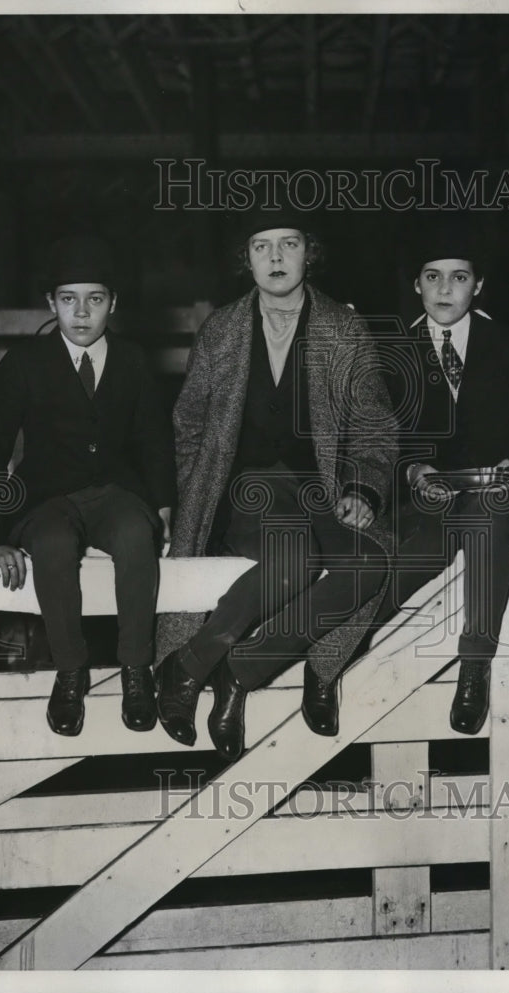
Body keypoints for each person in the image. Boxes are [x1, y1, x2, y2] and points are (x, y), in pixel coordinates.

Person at [155, 213, 398, 762]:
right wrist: (186, 505)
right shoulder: (221, 329)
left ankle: (222, 667)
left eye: (289, 244)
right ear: (246, 259)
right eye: (261, 246)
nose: (276, 257)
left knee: (368, 563)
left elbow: (374, 426)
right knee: (293, 561)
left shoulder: (343, 328)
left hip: (323, 489)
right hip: (248, 490)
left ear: (309, 253)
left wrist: (363, 487)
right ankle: (204, 663)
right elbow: (188, 425)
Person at [0, 235, 176, 736]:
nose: (81, 313)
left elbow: (154, 438)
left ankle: (135, 670)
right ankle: (69, 671)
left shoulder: (131, 360)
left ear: (113, 303)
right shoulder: (23, 363)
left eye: (95, 299)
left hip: (115, 494)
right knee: (55, 544)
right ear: (50, 304)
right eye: (68, 299)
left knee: (134, 534)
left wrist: (166, 507)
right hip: (46, 499)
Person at [375, 226, 509, 735]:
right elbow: (374, 443)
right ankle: (338, 663)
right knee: (385, 565)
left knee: (485, 517)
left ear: (478, 286)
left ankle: (473, 668)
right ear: (416, 285)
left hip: (501, 501)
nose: (444, 289)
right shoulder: (393, 351)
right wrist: (412, 469)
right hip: (427, 506)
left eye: (459, 278)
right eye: (432, 277)